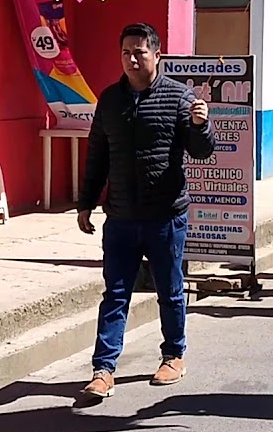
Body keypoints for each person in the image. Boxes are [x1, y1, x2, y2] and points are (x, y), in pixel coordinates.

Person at [76, 23, 216, 398]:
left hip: (165, 215)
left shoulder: (180, 98)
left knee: (169, 290)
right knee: (115, 293)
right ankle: (103, 369)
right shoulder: (109, 100)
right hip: (120, 215)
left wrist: (201, 127)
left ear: (157, 55)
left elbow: (202, 151)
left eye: (139, 52)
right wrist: (85, 203)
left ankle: (174, 355)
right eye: (126, 53)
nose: (132, 59)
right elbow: (97, 155)